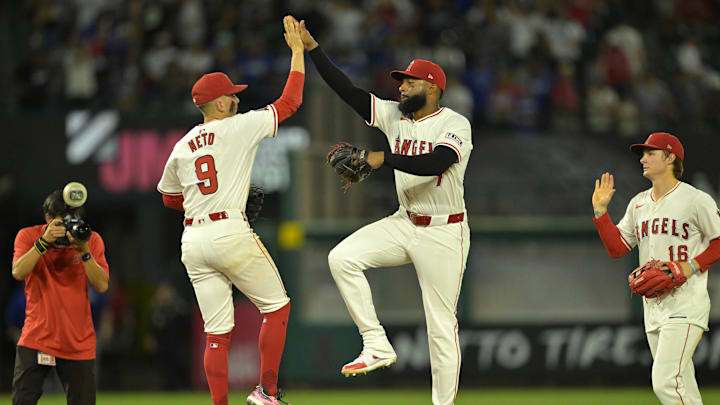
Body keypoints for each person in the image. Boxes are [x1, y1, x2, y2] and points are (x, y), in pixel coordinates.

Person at [293, 16, 472, 405]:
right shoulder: (395, 115)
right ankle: (376, 344)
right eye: (400, 81)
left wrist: (380, 158)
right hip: (404, 222)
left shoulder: (455, 123)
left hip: (445, 231)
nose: (402, 85)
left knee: (441, 327)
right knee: (342, 257)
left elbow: (436, 164)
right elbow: (348, 91)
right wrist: (313, 49)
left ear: (433, 87)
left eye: (409, 80)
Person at [156, 16, 304, 405]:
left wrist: (203, 202)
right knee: (278, 307)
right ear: (220, 102)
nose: (237, 99)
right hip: (228, 231)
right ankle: (266, 393)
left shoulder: (182, 146)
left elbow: (170, 199)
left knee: (216, 333)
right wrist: (298, 54)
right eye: (233, 95)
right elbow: (290, 103)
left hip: (194, 239)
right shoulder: (237, 126)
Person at [592, 132, 720, 405]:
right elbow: (618, 249)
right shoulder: (638, 203)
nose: (643, 158)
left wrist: (691, 265)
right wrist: (601, 213)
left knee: (664, 383)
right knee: (682, 384)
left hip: (686, 305)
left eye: (650, 153)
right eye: (643, 153)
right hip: (654, 309)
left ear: (670, 157)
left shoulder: (696, 199)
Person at [11, 189, 110, 405]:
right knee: (22, 401)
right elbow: (18, 271)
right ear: (48, 219)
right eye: (62, 221)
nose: (68, 227)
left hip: (78, 342)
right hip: (37, 338)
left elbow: (102, 285)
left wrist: (84, 252)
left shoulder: (90, 240)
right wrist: (43, 243)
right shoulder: (28, 236)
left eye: (73, 219)